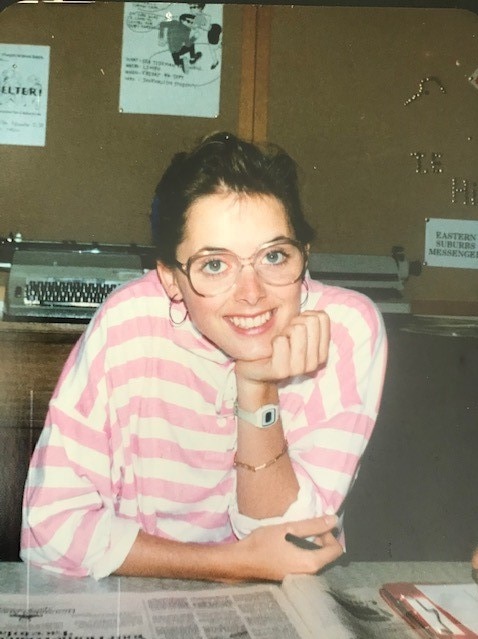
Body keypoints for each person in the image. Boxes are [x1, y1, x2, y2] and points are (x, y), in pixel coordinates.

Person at [21, 132, 387, 582]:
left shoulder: (345, 329)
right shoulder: (128, 323)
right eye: (215, 264)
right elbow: (49, 528)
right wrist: (231, 564)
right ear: (171, 279)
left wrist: (256, 387)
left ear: (304, 257)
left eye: (274, 256)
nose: (251, 295)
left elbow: (294, 543)